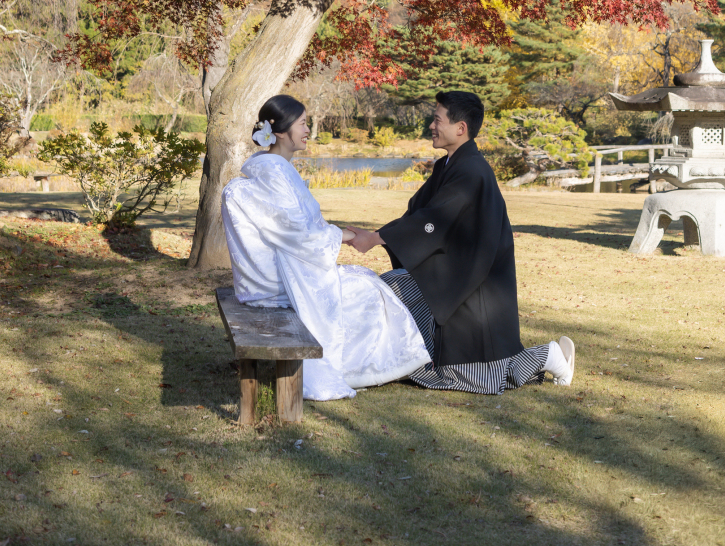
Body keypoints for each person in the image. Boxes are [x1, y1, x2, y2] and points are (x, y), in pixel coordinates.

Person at [348, 90, 575, 393]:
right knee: (392, 298)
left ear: (460, 128)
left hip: (474, 284)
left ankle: (548, 356)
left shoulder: (472, 171)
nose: (431, 125)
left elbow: (436, 221)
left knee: (464, 372)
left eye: (437, 119)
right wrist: (379, 235)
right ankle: (361, 364)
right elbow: (421, 214)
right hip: (452, 274)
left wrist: (376, 239)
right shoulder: (448, 166)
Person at [221, 94, 431, 401]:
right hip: (276, 282)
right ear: (280, 131)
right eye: (303, 123)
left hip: (281, 269)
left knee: (369, 280)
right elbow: (296, 232)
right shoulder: (274, 170)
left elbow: (298, 226)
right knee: (368, 290)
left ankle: (382, 363)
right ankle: (359, 369)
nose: (308, 130)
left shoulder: (272, 167)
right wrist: (345, 236)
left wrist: (340, 234)